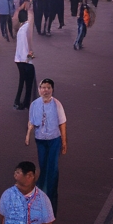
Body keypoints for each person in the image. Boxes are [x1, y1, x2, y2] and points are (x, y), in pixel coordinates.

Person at [26, 79, 67, 211]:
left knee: (53, 168)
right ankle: (41, 195)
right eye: (43, 87)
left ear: (52, 90)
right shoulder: (34, 104)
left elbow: (62, 123)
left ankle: (51, 198)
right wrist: (28, 135)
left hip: (54, 139)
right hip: (41, 139)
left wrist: (64, 142)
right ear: (39, 90)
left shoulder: (57, 104)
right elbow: (31, 122)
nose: (45, 90)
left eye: (48, 87)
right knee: (43, 166)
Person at [13, 5, 36, 110]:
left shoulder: (21, 29)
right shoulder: (27, 28)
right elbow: (28, 46)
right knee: (28, 83)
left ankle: (21, 101)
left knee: (23, 81)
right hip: (26, 60)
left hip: (19, 59)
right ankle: (22, 102)